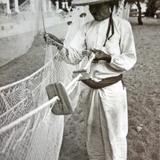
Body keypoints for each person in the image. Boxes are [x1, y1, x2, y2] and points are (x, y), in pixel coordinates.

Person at [44, 0, 137, 159]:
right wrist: (59, 44)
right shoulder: (86, 27)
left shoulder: (122, 26)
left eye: (97, 5)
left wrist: (107, 57)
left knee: (115, 133)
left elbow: (130, 58)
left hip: (112, 91)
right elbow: (74, 55)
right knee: (93, 131)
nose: (93, 10)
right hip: (90, 89)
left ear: (110, 5)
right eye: (90, 6)